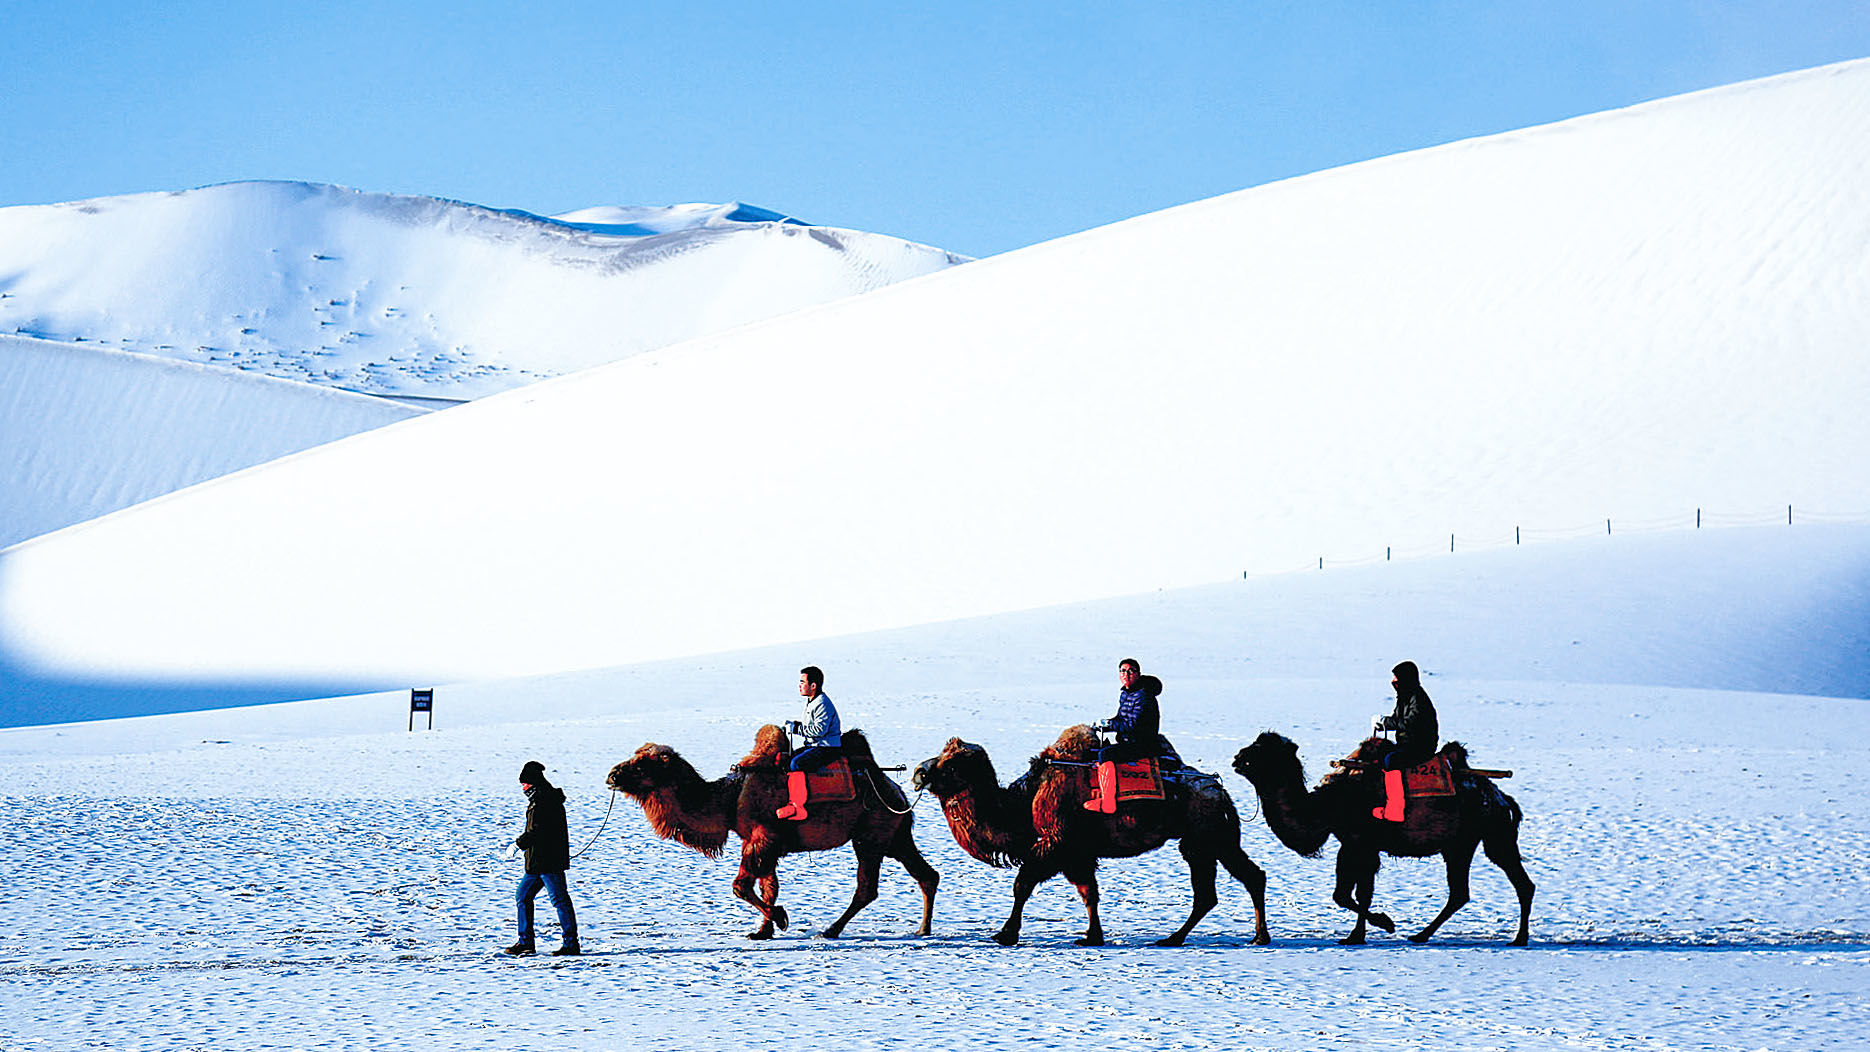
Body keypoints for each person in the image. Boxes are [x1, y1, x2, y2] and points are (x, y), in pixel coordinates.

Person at [505, 760, 580, 956]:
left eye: (524, 784)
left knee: (559, 900)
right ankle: (526, 942)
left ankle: (571, 944)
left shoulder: (543, 801)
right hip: (537, 862)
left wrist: (517, 844)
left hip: (548, 862)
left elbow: (537, 831)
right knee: (523, 896)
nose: (522, 788)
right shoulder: (541, 799)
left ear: (533, 783)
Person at [1084, 658, 1163, 813]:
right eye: (1123, 671)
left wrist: (1110, 725)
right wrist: (1103, 725)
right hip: (1127, 740)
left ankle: (1108, 803)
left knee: (1105, 755)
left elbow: (1133, 725)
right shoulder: (1127, 694)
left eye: (1131, 671)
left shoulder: (1144, 696)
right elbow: (1121, 719)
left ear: (1138, 674)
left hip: (1141, 743)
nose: (1126, 674)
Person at [1372, 661, 1439, 822]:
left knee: (1392, 760)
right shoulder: (1404, 697)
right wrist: (1383, 723)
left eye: (1397, 677)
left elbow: (1410, 723)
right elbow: (1397, 718)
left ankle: (1395, 809)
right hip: (1406, 744)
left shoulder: (1419, 699)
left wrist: (1387, 723)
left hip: (1420, 747)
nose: (1393, 681)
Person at [775, 665, 842, 821]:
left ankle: (798, 807)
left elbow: (819, 730)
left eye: (802, 682)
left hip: (826, 747)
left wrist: (796, 728)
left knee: (797, 764)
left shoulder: (822, 703)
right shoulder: (813, 702)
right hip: (815, 745)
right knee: (785, 758)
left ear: (813, 685)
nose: (799, 685)